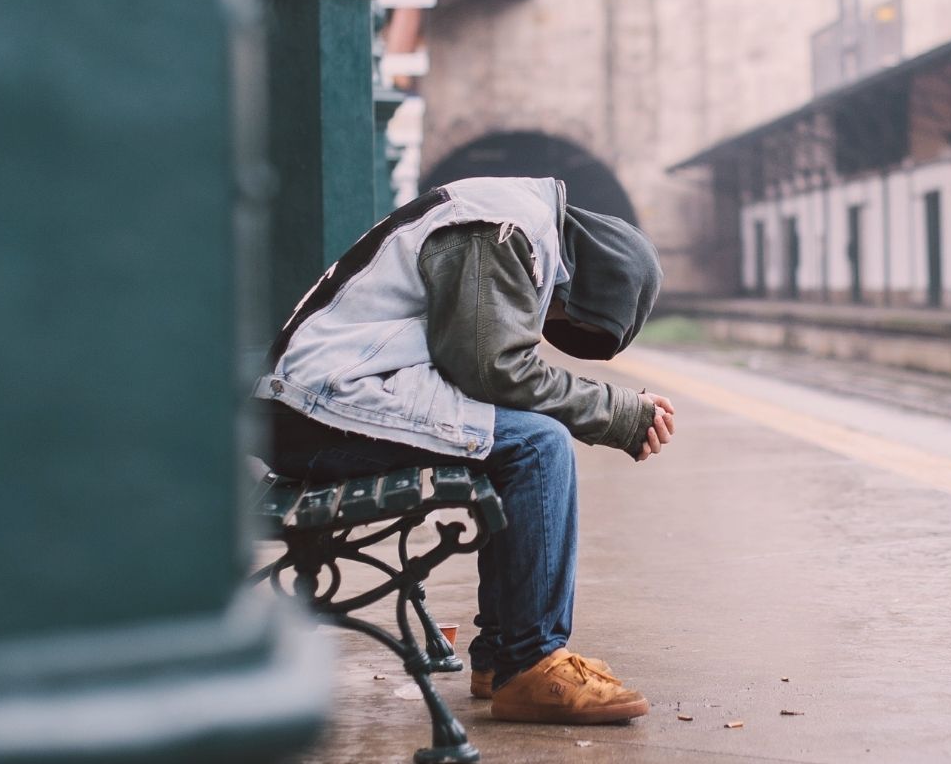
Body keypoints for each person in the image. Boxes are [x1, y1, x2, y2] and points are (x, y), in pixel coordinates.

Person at [254, 176, 675, 725]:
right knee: (537, 445)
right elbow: (491, 367)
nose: (549, 323)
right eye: (565, 319)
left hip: (324, 401)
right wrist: (617, 413)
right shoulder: (501, 230)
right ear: (582, 287)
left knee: (520, 437)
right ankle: (531, 662)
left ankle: (504, 655)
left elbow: (484, 366)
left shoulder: (508, 218)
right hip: (317, 408)